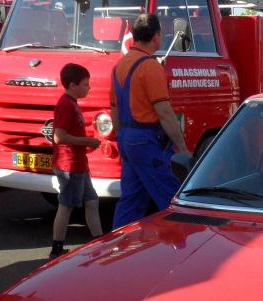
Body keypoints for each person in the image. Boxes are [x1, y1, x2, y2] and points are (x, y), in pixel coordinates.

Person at [111, 13, 190, 229]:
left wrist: (122, 137)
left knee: (131, 201)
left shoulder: (119, 66)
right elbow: (164, 112)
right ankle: (180, 242)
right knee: (171, 195)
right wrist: (182, 147)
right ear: (156, 36)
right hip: (147, 140)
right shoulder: (151, 67)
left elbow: (114, 109)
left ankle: (118, 244)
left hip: (127, 137)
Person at [49, 63, 103, 260]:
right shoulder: (66, 104)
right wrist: (87, 141)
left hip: (79, 163)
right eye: (85, 84)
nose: (89, 88)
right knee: (66, 205)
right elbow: (59, 136)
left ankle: (99, 241)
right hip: (69, 165)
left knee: (92, 201)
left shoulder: (71, 103)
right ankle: (56, 248)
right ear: (73, 85)